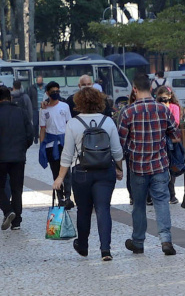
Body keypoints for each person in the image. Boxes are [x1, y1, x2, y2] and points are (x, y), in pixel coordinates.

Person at [55, 87, 124, 261]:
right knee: (103, 209)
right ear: (99, 101)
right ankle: (105, 250)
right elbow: (117, 151)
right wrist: (119, 168)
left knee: (83, 210)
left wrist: (60, 177)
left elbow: (67, 154)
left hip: (81, 172)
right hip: (105, 171)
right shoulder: (108, 122)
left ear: (78, 103)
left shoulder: (73, 123)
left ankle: (83, 245)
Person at [118, 73, 179, 256]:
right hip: (160, 165)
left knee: (139, 204)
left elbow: (120, 142)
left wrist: (119, 165)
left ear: (134, 90)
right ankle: (166, 240)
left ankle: (138, 241)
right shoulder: (163, 109)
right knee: (161, 202)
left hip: (137, 166)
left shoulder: (128, 112)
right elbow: (175, 136)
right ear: (151, 89)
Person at [0, 86, 33, 231]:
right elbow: (30, 134)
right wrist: (23, 148)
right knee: (17, 189)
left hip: (0, 158)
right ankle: (16, 221)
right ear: (10, 98)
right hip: (18, 157)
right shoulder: (21, 113)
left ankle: (7, 210)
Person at [39, 81, 73, 207]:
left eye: (57, 91)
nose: (55, 94)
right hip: (50, 144)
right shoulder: (43, 110)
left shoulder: (64, 106)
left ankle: (68, 197)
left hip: (64, 142)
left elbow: (69, 125)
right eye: (53, 92)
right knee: (56, 171)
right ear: (47, 93)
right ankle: (60, 198)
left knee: (67, 171)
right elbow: (42, 129)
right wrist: (42, 146)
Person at [155, 86, 182, 204]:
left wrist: (166, 110)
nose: (163, 101)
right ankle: (163, 193)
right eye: (161, 98)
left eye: (165, 98)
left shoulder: (174, 107)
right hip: (159, 140)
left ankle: (172, 193)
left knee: (173, 166)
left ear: (170, 96)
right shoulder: (155, 107)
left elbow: (175, 123)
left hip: (172, 141)